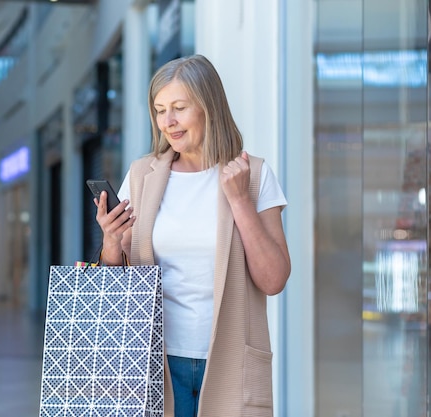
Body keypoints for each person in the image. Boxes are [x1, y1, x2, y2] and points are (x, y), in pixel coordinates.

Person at [93, 54, 291, 417]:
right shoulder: (142, 175)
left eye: (179, 108)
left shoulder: (254, 174)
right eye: (159, 109)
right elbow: (113, 287)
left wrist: (239, 200)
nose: (168, 122)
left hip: (231, 360)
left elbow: (274, 278)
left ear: (208, 107)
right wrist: (109, 242)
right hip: (155, 361)